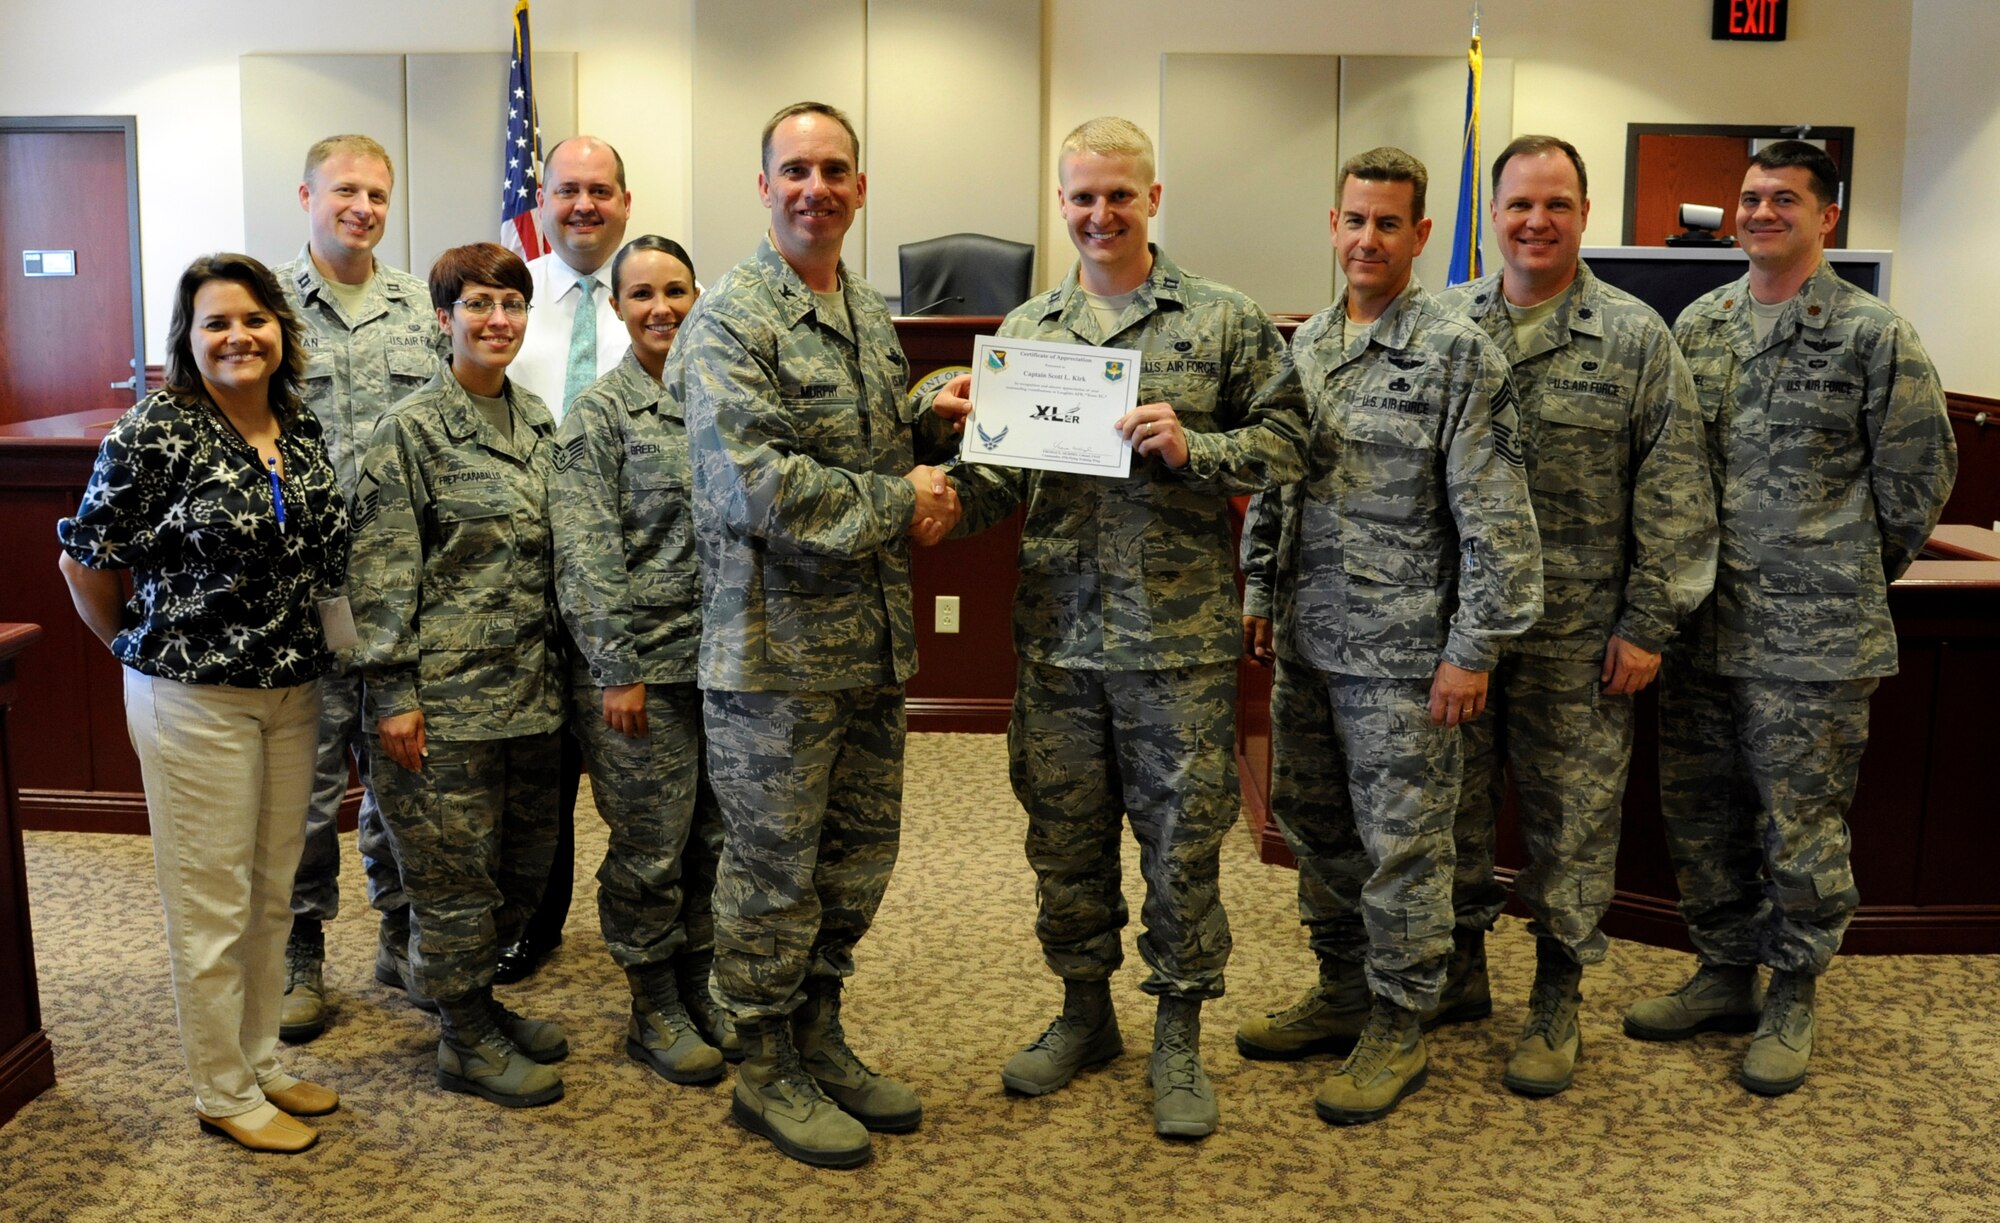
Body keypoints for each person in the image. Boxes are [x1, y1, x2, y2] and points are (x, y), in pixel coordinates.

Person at [927, 116, 1308, 1141]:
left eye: (1119, 195)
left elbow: (1289, 444)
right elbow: (999, 482)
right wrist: (942, 484)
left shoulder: (1222, 321)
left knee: (1182, 847)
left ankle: (1178, 1029)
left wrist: (1197, 447)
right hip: (1058, 638)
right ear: (1061, 203)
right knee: (1064, 837)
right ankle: (1084, 1010)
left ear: (1153, 198)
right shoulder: (1029, 330)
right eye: (1082, 197)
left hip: (1175, 646)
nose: (1101, 214)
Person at [1624, 140, 1957, 1095]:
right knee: (1701, 811)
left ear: (1827, 217)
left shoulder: (1872, 335)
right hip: (1701, 626)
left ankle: (1794, 989)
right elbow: (1669, 470)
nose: (1761, 212)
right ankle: (1725, 971)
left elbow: (1919, 479)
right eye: (1749, 197)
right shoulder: (1701, 324)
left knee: (1799, 824)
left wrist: (1840, 571)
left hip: (1813, 640)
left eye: (1783, 199)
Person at [676, 100, 963, 1169]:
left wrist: (929, 410)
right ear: (763, 187)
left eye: (835, 170)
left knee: (853, 860)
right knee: (771, 870)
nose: (816, 188)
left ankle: (816, 1030)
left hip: (868, 644)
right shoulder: (731, 319)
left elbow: (866, 435)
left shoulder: (861, 307)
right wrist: (902, 498)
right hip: (774, 658)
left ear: (860, 187)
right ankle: (764, 1064)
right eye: (794, 171)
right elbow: (752, 484)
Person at [1235, 147, 1541, 1125]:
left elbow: (1497, 522)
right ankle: (1341, 989)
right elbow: (1276, 480)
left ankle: (1403, 1018)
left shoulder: (1457, 354)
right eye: (1354, 220)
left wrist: (1471, 648)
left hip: (1405, 661)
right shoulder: (1306, 345)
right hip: (1307, 642)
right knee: (1316, 825)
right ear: (1333, 225)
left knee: (1403, 845)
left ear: (1419, 235)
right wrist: (1257, 585)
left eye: (1388, 223)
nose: (1367, 239)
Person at [1422, 136, 1715, 1096]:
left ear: (1585, 214)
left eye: (1556, 204)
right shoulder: (1442, 323)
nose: (1536, 222)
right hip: (1461, 629)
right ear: (1491, 215)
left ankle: (1557, 993)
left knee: (1571, 823)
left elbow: (1676, 490)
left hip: (1579, 638)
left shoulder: (1635, 337)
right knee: (1453, 808)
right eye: (1518, 204)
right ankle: (1461, 968)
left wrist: (1648, 623)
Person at [57, 252, 348, 1153]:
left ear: (281, 329)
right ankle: (221, 1089)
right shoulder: (154, 429)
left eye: (254, 319)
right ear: (187, 338)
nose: (238, 337)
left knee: (272, 892)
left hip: (291, 691)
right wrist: (136, 650)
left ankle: (258, 1062)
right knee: (212, 903)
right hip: (194, 699)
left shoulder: (297, 424)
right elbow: (83, 560)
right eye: (216, 322)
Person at [347, 242, 569, 1109]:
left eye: (512, 304)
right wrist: (393, 696)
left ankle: (479, 1002)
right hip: (441, 707)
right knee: (453, 881)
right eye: (478, 304)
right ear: (444, 318)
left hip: (532, 697)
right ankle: (463, 1037)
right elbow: (380, 576)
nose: (498, 320)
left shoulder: (539, 421)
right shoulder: (407, 431)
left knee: (522, 870)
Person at [270, 133, 446, 1040]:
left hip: (400, 592)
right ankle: (299, 949)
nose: (363, 208)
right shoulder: (264, 308)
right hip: (300, 597)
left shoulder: (421, 308)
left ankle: (401, 931)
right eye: (345, 191)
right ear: (307, 196)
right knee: (304, 792)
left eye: (377, 194)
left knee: (404, 779)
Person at [551, 235, 732, 1086]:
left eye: (676, 290)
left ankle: (698, 980)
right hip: (639, 673)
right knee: (653, 842)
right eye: (642, 294)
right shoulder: (599, 414)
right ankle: (652, 1002)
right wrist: (615, 667)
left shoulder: (725, 396)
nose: (661, 308)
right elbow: (585, 553)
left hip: (726, 664)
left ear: (698, 297)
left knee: (714, 836)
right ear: (617, 307)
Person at [495, 134, 633, 983]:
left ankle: (653, 932)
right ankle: (532, 923)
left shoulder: (663, 298)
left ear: (626, 202)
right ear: (541, 201)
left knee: (640, 766)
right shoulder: (506, 299)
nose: (584, 205)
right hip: (525, 574)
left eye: (600, 190)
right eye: (567, 189)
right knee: (536, 769)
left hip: (633, 570)